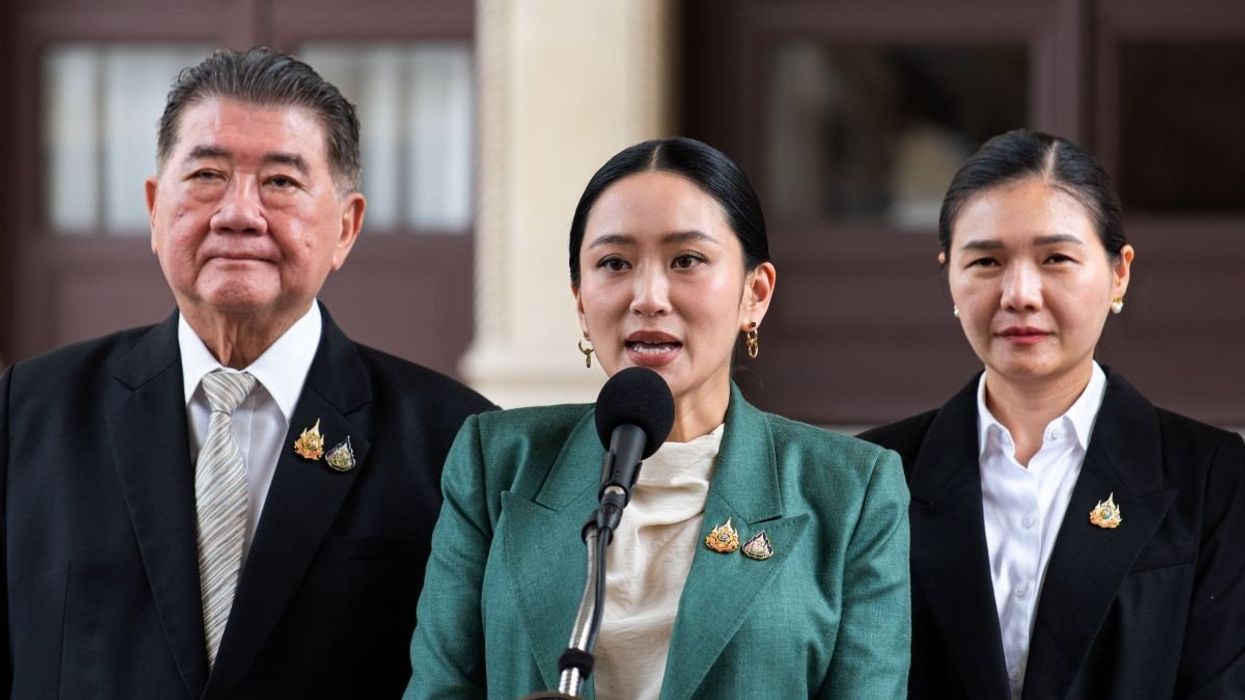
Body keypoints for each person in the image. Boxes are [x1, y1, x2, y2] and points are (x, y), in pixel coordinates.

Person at [0, 47, 494, 699]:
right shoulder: (28, 414)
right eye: (206, 175)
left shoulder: (455, 442)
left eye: (281, 182)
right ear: (154, 209)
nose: (238, 213)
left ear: (345, 227)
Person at [405, 137, 910, 699]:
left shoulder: (851, 491)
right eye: (614, 263)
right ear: (579, 298)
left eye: (686, 260)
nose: (648, 296)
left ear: (755, 293)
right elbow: (438, 688)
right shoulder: (497, 461)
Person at [860, 129, 1245, 699]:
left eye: (1056, 258)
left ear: (1119, 273)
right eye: (987, 260)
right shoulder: (875, 472)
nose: (1020, 294)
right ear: (949, 275)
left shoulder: (1213, 476)